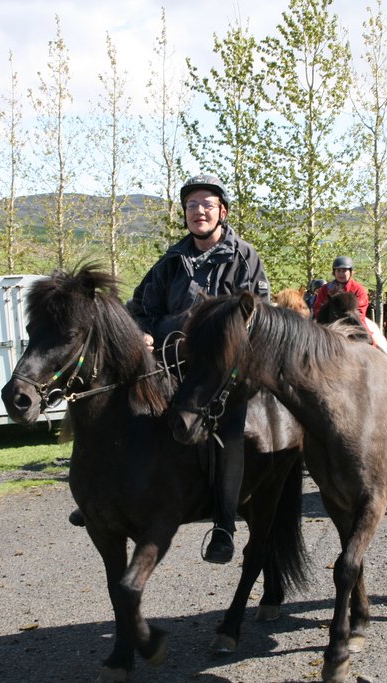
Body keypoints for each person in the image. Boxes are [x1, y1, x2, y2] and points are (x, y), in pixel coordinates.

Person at [125, 173, 270, 564]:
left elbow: (258, 314)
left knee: (229, 429)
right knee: (125, 406)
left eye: (207, 204)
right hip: (169, 362)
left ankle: (223, 526)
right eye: (192, 205)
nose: (199, 212)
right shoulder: (171, 260)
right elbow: (140, 306)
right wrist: (143, 332)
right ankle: (105, 496)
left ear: (222, 211)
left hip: (223, 369)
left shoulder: (244, 257)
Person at [312, 256, 369, 321]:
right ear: (334, 272)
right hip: (328, 322)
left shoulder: (359, 290)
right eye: (338, 271)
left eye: (344, 271)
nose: (341, 274)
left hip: (352, 323)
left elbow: (360, 312)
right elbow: (318, 308)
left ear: (350, 272)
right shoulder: (325, 289)